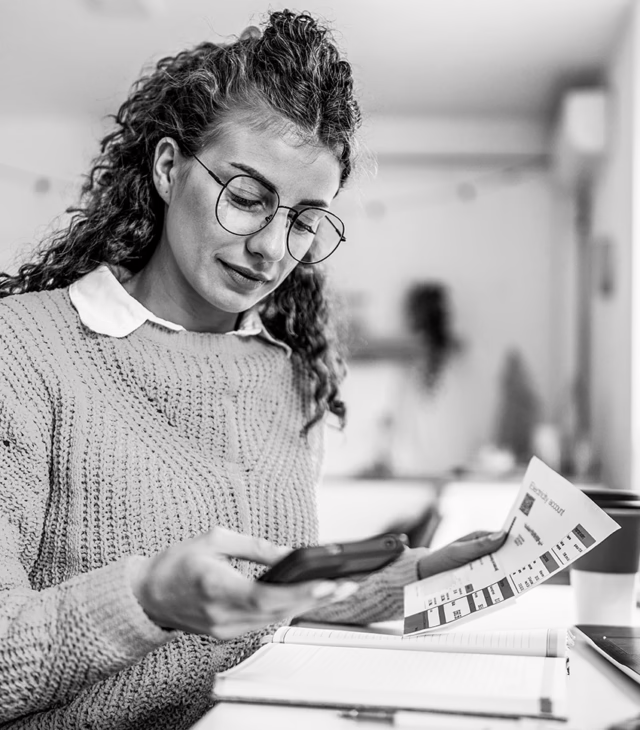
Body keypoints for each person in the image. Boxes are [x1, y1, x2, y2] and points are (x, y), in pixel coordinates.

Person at [0, 10, 505, 729]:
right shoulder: (23, 352)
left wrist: (421, 576)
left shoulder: (286, 375)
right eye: (246, 198)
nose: (272, 247)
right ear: (169, 169)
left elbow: (274, 586)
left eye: (303, 219)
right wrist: (146, 599)